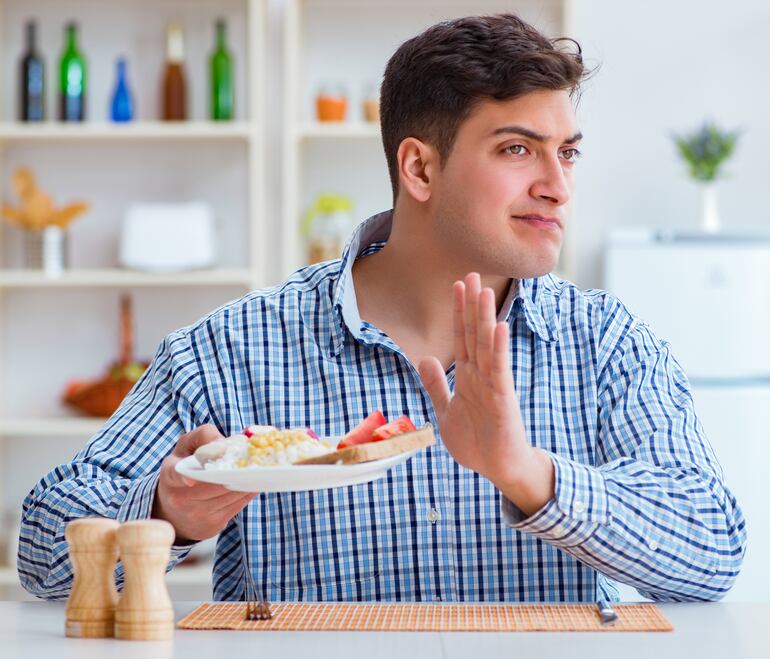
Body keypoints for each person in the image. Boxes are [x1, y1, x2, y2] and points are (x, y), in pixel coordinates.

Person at [20, 14, 745, 603]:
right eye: (519, 149)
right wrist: (164, 513)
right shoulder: (232, 349)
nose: (559, 185)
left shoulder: (607, 343)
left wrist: (531, 475)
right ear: (419, 168)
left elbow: (713, 549)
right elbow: (41, 553)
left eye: (569, 153)